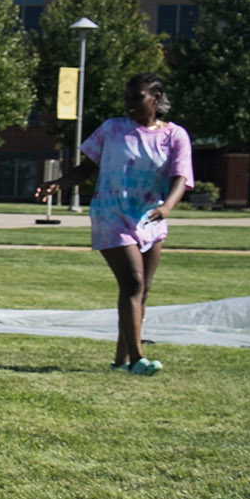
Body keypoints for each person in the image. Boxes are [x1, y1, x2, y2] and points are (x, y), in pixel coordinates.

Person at [41, 72, 192, 375]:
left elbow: (180, 177)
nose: (130, 104)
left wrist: (167, 206)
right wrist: (59, 183)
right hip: (111, 214)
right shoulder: (112, 129)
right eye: (127, 98)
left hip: (150, 217)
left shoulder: (175, 136)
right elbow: (86, 167)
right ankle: (137, 359)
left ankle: (121, 360)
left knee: (142, 290)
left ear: (157, 99)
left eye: (138, 98)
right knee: (132, 283)